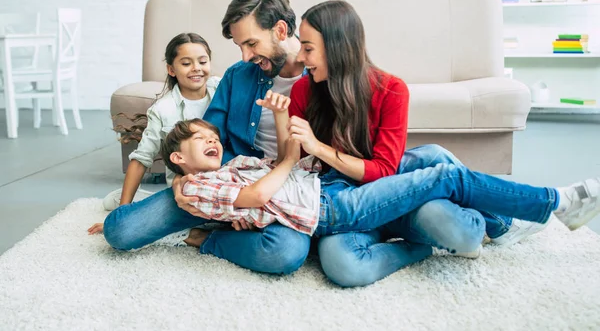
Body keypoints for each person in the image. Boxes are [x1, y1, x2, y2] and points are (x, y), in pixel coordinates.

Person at [286, 0, 577, 287]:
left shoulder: (390, 89)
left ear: (338, 49)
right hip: (350, 200)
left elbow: (386, 170)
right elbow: (299, 169)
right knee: (344, 265)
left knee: (438, 172)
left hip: (392, 184)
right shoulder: (303, 90)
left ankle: (503, 222)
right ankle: (424, 245)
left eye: (308, 48)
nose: (300, 57)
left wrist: (319, 147)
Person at [158, 107, 599, 253]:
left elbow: (287, 165)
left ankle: (501, 226)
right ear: (179, 158)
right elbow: (259, 194)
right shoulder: (193, 186)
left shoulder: (233, 166)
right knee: (443, 174)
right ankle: (556, 201)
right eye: (201, 140)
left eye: (214, 136)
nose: (212, 140)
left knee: (429, 157)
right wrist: (284, 165)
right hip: (331, 211)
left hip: (328, 187)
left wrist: (286, 126)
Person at [101, 0, 311, 274]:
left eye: (251, 43)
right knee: (121, 230)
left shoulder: (320, 77)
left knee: (283, 254)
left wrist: (252, 205)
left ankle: (210, 238)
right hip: (223, 184)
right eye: (240, 46)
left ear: (281, 30)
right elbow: (209, 135)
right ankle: (228, 226)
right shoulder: (238, 75)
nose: (246, 56)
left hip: (286, 187)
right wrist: (183, 180)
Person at [88, 33, 220, 241]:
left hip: (224, 184)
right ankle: (130, 203)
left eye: (202, 61)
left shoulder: (222, 89)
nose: (196, 68)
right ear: (171, 70)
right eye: (186, 63)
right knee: (122, 228)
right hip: (184, 190)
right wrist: (124, 211)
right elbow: (141, 159)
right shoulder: (163, 109)